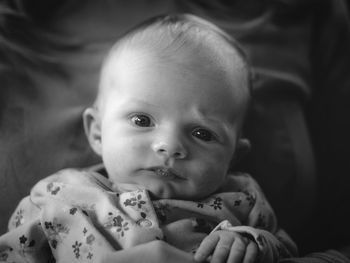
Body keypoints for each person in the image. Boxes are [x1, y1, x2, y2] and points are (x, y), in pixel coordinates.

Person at [0, 14, 297, 263]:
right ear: (97, 132)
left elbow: (286, 249)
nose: (170, 146)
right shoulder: (58, 196)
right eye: (142, 120)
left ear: (233, 156)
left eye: (202, 133)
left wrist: (251, 242)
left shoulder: (244, 200)